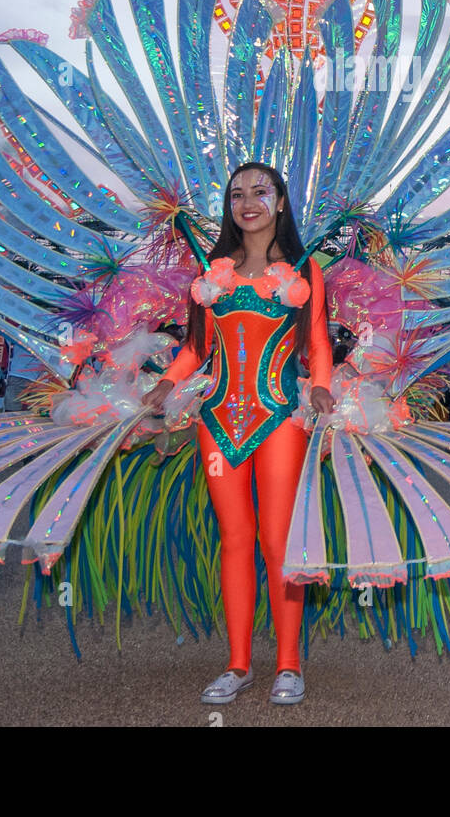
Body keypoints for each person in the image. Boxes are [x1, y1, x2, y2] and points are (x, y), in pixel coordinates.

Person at [143, 162, 334, 706]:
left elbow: (318, 342)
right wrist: (167, 383)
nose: (246, 201)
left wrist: (320, 385)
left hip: (279, 417)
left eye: (259, 191)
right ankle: (238, 663)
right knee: (235, 540)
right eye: (235, 195)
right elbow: (196, 347)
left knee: (277, 542)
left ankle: (289, 666)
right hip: (217, 421)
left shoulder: (303, 271)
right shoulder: (211, 272)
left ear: (279, 202)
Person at [2, 340, 50, 413]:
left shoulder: (49, 332)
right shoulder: (20, 331)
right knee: (12, 411)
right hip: (19, 375)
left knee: (37, 413)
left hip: (40, 379)